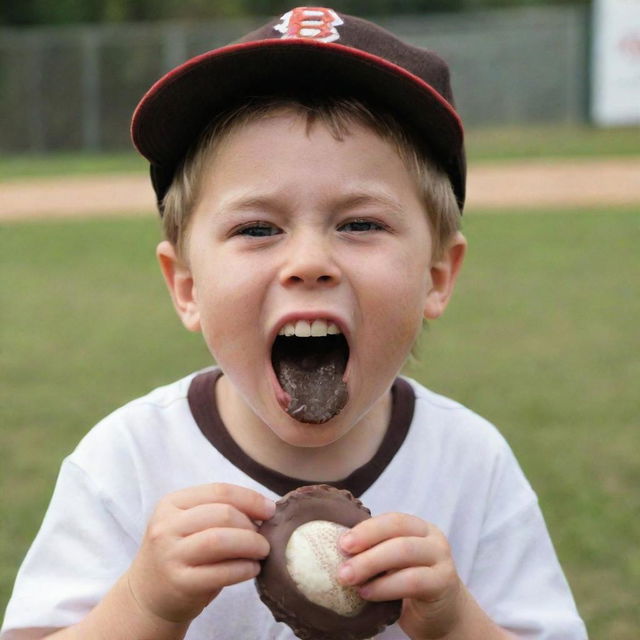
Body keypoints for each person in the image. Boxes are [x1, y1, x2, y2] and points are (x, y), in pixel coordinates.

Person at [1, 7, 587, 640]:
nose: (309, 263)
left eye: (361, 223)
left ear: (436, 277)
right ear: (187, 285)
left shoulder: (473, 466)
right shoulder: (127, 463)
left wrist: (454, 624)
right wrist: (144, 605)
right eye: (257, 228)